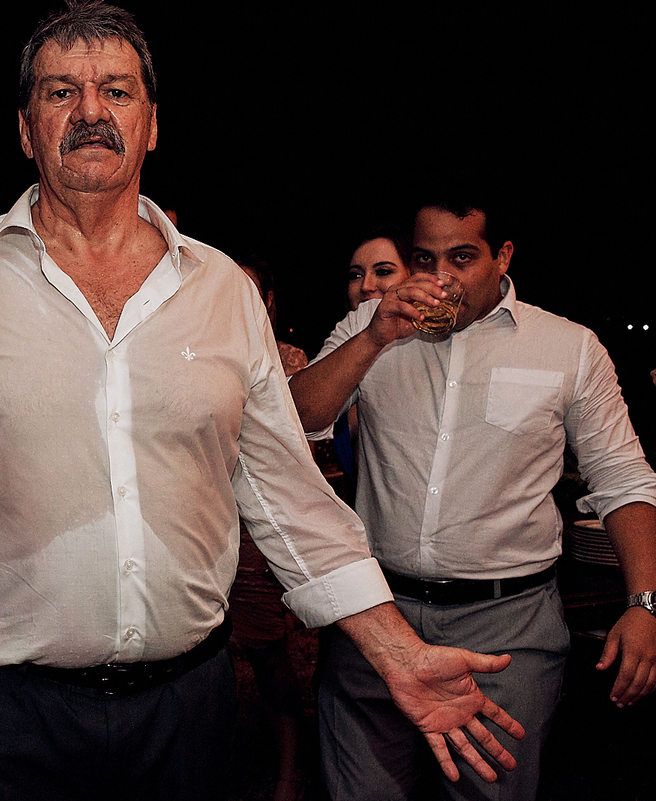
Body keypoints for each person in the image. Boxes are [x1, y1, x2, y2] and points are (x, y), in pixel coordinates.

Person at [0, 6, 525, 799]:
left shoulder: (220, 288)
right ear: (25, 129)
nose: (90, 110)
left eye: (117, 90)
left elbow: (290, 500)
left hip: (185, 711)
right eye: (60, 92)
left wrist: (396, 652)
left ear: (152, 124)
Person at [290, 185, 656, 800]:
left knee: (489, 790)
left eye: (462, 258)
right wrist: (375, 338)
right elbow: (301, 416)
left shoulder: (570, 347)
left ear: (503, 256)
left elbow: (623, 478)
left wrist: (644, 603)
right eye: (426, 259)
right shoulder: (370, 324)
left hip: (508, 629)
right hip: (378, 616)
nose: (441, 277)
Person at [231, 256, 318, 801]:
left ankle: (289, 769)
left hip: (259, 536)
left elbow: (297, 457)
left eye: (251, 291)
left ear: (267, 302)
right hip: (204, 530)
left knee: (267, 656)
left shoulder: (290, 362)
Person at [334, 224, 411, 482]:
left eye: (383, 272)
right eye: (356, 275)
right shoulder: (337, 354)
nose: (366, 286)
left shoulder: (422, 353)